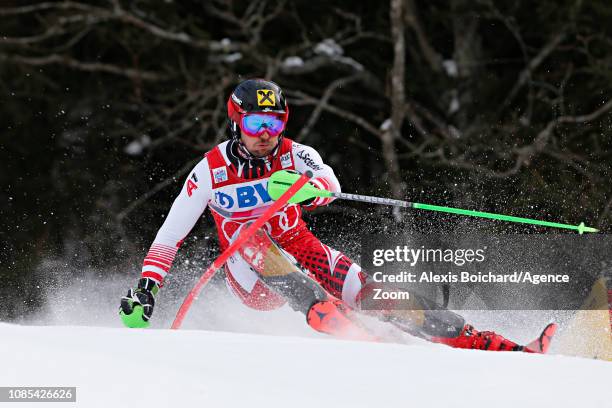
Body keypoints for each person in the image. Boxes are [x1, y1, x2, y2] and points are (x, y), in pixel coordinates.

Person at [119, 78, 548, 352]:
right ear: (236, 125)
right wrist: (146, 288)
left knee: (373, 293)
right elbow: (168, 236)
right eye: (255, 126)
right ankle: (339, 325)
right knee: (252, 239)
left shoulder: (295, 155)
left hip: (300, 248)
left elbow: (329, 182)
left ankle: (499, 348)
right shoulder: (209, 172)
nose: (266, 135)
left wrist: (306, 190)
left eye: (274, 123)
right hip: (248, 274)